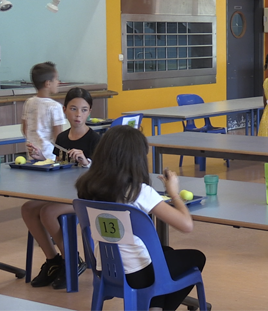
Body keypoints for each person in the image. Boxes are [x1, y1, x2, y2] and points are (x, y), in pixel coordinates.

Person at [75, 126, 206, 311]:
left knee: (165, 251)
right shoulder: (139, 192)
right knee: (197, 257)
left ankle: (154, 306)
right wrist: (174, 193)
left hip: (105, 270)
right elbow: (186, 225)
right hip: (139, 274)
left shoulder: (87, 187)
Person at [22, 88, 100, 289]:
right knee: (28, 209)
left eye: (83, 110)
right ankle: (53, 260)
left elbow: (101, 172)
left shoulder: (95, 139)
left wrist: (85, 161)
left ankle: (72, 260)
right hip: (63, 194)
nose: (78, 114)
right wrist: (43, 158)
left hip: (87, 197)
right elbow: (59, 163)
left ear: (89, 112)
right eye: (73, 109)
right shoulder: (63, 138)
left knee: (48, 212)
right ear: (65, 110)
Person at [21, 62, 66, 161]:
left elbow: (25, 129)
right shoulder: (55, 107)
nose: (58, 82)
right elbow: (58, 138)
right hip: (49, 156)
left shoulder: (28, 103)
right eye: (56, 79)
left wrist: (33, 142)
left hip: (32, 154)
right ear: (48, 83)